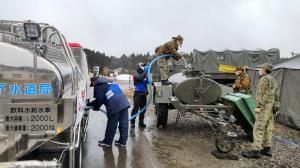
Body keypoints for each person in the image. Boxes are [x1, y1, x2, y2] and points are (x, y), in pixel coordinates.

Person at [242, 63, 280, 158]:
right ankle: (267, 149)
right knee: (268, 128)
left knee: (258, 127)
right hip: (271, 106)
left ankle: (255, 150)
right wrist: (276, 106)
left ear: (264, 69)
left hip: (264, 106)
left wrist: (259, 106)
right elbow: (276, 94)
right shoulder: (273, 79)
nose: (260, 69)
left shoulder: (264, 79)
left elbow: (262, 94)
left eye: (261, 68)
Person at [87, 77, 130, 147]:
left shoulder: (98, 85)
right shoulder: (109, 83)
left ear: (94, 82)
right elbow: (100, 98)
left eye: (92, 84)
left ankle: (107, 142)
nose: (93, 86)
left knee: (112, 124)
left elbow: (100, 99)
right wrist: (89, 104)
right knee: (124, 123)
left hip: (114, 103)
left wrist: (96, 107)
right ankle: (122, 142)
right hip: (124, 101)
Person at [130, 63, 149, 128]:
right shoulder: (136, 73)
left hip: (144, 94)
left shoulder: (145, 74)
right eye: (142, 65)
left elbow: (147, 81)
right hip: (138, 93)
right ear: (138, 66)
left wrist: (150, 81)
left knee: (143, 109)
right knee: (136, 108)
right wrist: (146, 72)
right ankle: (132, 122)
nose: (143, 66)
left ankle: (141, 122)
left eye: (144, 66)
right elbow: (139, 78)